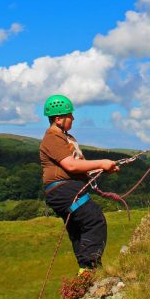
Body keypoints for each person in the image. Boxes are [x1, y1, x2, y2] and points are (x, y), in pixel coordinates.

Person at [39, 94, 119, 272]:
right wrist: (102, 163)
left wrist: (103, 168)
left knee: (79, 230)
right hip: (63, 189)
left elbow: (79, 166)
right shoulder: (52, 138)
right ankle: (90, 267)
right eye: (69, 115)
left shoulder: (64, 137)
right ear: (58, 119)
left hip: (64, 190)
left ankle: (85, 271)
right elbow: (71, 165)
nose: (73, 118)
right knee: (94, 219)